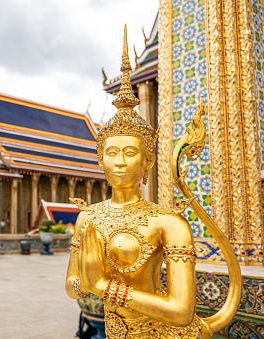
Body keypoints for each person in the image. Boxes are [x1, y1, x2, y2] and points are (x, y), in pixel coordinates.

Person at [65, 27, 240, 338]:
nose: (119, 161)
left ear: (147, 162)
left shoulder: (168, 222)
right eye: (112, 153)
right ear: (100, 160)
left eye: (130, 152)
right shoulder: (88, 217)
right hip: (116, 328)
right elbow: (73, 284)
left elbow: (182, 311)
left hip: (165, 331)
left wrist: (102, 286)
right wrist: (81, 282)